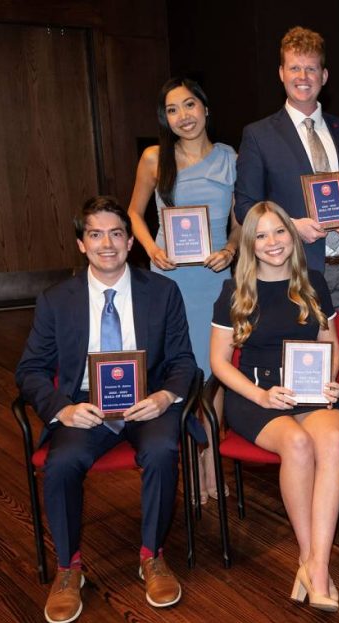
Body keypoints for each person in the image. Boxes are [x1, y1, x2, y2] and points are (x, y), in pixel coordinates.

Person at [16, 196, 197, 623]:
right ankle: (68, 568)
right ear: (81, 244)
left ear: (131, 241)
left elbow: (184, 361)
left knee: (161, 450)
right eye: (95, 234)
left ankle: (152, 556)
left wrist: (163, 397)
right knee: (61, 463)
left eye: (116, 233)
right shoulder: (56, 299)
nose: (107, 244)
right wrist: (62, 409)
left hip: (144, 402)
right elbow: (30, 370)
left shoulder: (163, 291)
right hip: (86, 405)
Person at [210, 201, 339, 612]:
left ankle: (315, 565)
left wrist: (328, 381)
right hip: (256, 397)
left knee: (335, 438)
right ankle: (312, 563)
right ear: (250, 243)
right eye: (262, 235)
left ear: (292, 235)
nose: (273, 242)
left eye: (280, 232)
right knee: (300, 445)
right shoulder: (235, 290)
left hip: (307, 392)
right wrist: (261, 396)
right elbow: (218, 363)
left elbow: (330, 346)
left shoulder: (314, 282)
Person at [128, 76, 239, 503]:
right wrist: (152, 247)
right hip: (171, 282)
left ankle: (213, 467)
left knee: (218, 379)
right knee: (181, 374)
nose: (183, 117)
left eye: (189, 105)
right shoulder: (155, 159)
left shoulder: (232, 159)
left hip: (215, 280)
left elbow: (238, 223)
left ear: (206, 109)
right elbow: (134, 213)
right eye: (172, 110)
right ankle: (190, 469)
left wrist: (231, 249)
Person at [235, 26, 339, 329]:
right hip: (292, 271)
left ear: (324, 76)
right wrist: (291, 227)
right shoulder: (258, 136)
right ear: (281, 73)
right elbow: (245, 206)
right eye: (295, 67)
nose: (303, 76)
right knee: (303, 364)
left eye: (311, 68)